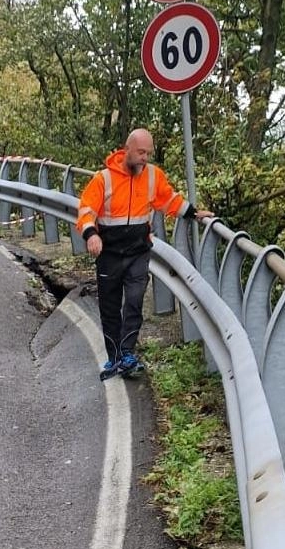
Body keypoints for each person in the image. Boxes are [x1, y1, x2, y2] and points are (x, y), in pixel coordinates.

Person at [76, 128, 213, 380]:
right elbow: (86, 210)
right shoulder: (103, 179)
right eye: (141, 152)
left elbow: (169, 200)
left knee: (135, 300)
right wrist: (91, 234)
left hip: (138, 251)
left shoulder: (152, 176)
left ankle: (127, 353)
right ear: (126, 149)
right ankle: (114, 357)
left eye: (148, 153)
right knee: (109, 306)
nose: (145, 158)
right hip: (109, 253)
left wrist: (194, 213)